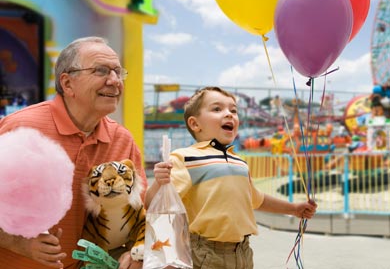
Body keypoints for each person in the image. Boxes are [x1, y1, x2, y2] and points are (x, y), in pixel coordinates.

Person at [0, 37, 147, 269]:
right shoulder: (19, 128)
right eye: (101, 71)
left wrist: (134, 252)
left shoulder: (122, 140)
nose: (115, 81)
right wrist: (17, 243)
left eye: (118, 73)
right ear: (67, 84)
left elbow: (137, 212)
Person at [145, 86, 317, 269]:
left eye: (233, 110)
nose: (229, 114)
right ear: (195, 124)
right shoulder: (185, 157)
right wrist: (159, 182)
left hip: (243, 251)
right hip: (205, 252)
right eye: (217, 109)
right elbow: (155, 205)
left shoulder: (239, 162)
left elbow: (256, 198)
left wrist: (293, 208)